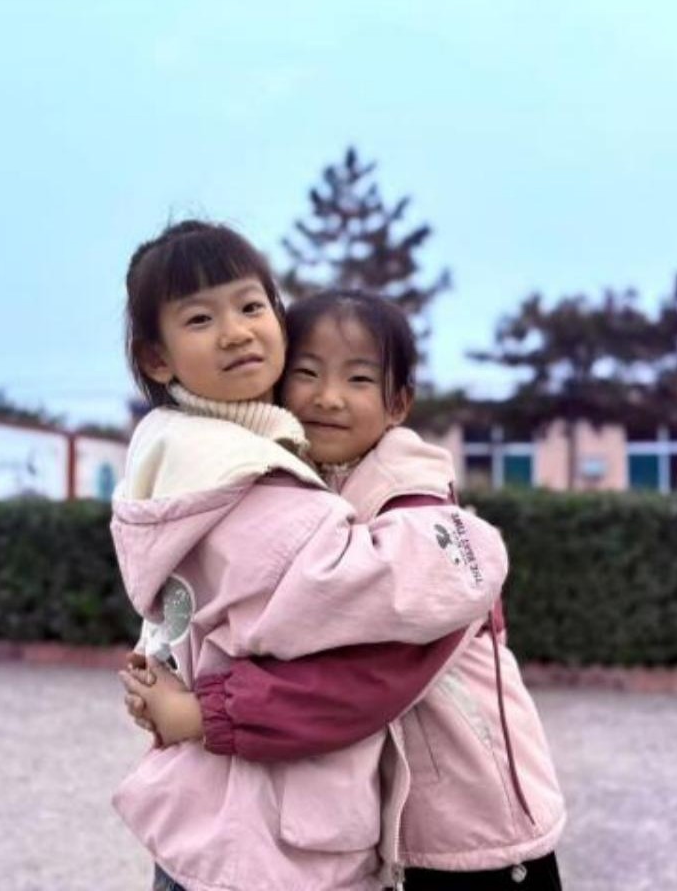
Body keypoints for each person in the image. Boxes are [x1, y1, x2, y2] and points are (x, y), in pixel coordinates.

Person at [110, 221, 509, 891]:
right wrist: (469, 546)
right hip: (265, 839)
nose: (235, 332)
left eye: (250, 306)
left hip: (224, 821)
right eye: (201, 318)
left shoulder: (192, 447)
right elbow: (345, 587)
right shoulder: (234, 469)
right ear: (157, 358)